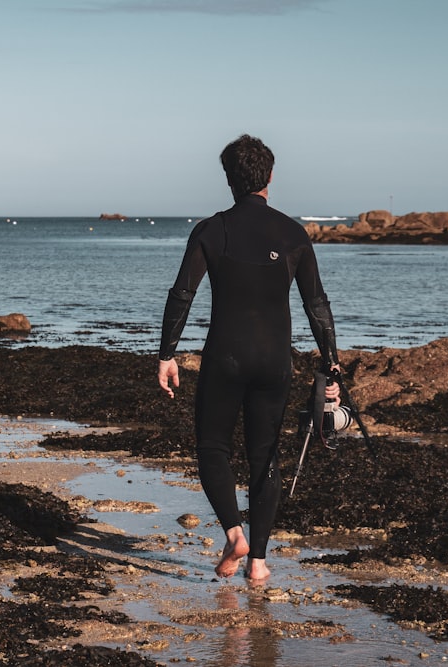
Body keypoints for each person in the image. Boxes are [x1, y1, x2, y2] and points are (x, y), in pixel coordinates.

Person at [157, 134, 341, 581]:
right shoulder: (294, 234)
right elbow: (317, 304)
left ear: (228, 178)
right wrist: (331, 360)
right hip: (276, 363)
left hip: (226, 358)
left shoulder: (210, 230)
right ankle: (258, 562)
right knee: (266, 457)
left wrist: (167, 354)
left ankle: (234, 534)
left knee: (212, 447)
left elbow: (182, 294)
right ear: (271, 176)